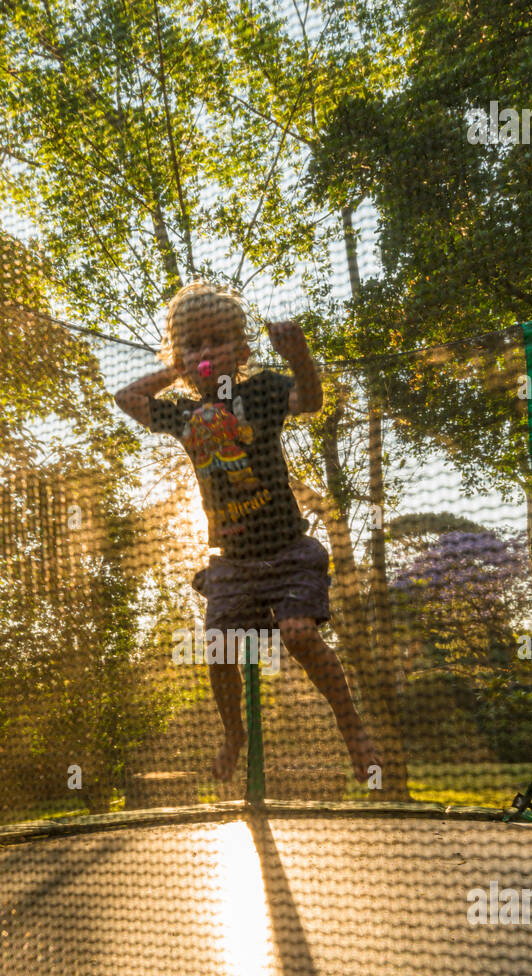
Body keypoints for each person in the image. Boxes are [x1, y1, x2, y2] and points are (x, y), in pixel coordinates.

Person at [114, 281, 381, 785]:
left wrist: (298, 355)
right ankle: (234, 736)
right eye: (193, 344)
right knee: (218, 650)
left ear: (241, 348)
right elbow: (126, 397)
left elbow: (311, 399)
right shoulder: (184, 414)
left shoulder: (261, 391)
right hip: (232, 562)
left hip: (286, 550)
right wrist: (174, 369)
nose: (205, 352)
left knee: (298, 633)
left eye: (216, 340)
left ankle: (353, 731)